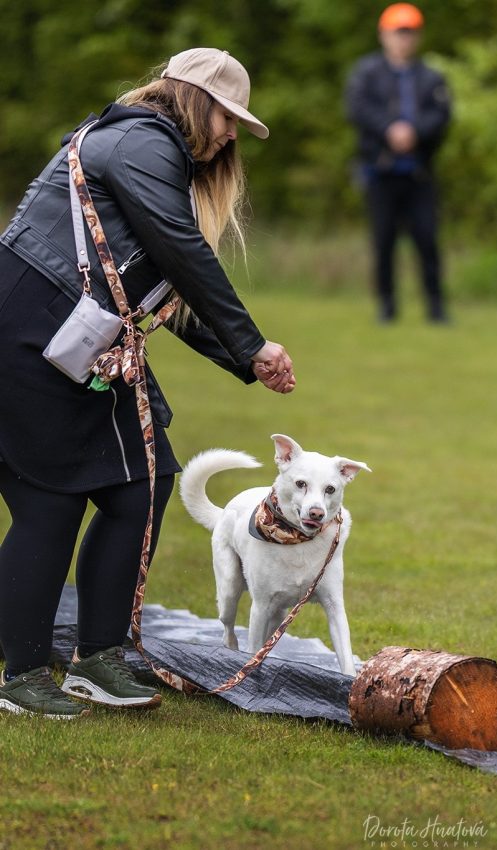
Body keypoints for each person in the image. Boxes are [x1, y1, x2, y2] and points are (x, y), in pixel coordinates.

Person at [0, 48, 296, 718]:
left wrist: (246, 361)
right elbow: (181, 251)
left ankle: (97, 659)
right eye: (228, 118)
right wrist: (251, 341)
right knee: (50, 504)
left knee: (146, 479)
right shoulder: (139, 139)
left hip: (74, 341)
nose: (230, 135)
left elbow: (166, 293)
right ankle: (21, 676)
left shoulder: (150, 153)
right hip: (24, 329)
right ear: (194, 99)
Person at [345, 2, 452, 323]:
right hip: (380, 172)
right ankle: (387, 307)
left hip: (419, 173)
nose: (404, 39)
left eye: (410, 33)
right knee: (384, 242)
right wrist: (390, 129)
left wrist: (414, 132)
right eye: (398, 32)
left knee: (428, 239)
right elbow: (357, 109)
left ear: (417, 37)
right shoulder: (366, 74)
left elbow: (442, 115)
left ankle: (436, 308)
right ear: (384, 34)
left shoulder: (431, 77)